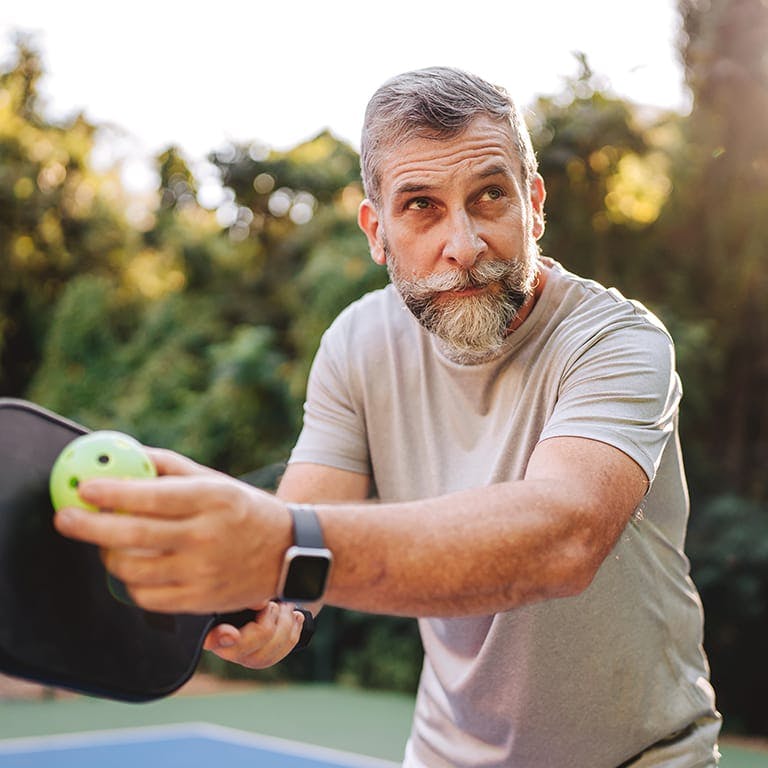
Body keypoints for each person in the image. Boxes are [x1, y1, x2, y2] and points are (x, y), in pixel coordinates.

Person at [54, 67, 721, 767]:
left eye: (490, 195)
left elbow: (562, 538)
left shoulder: (618, 341)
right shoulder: (356, 342)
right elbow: (305, 531)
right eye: (422, 206)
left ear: (534, 204)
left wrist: (272, 543)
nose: (463, 244)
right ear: (377, 231)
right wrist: (273, 607)